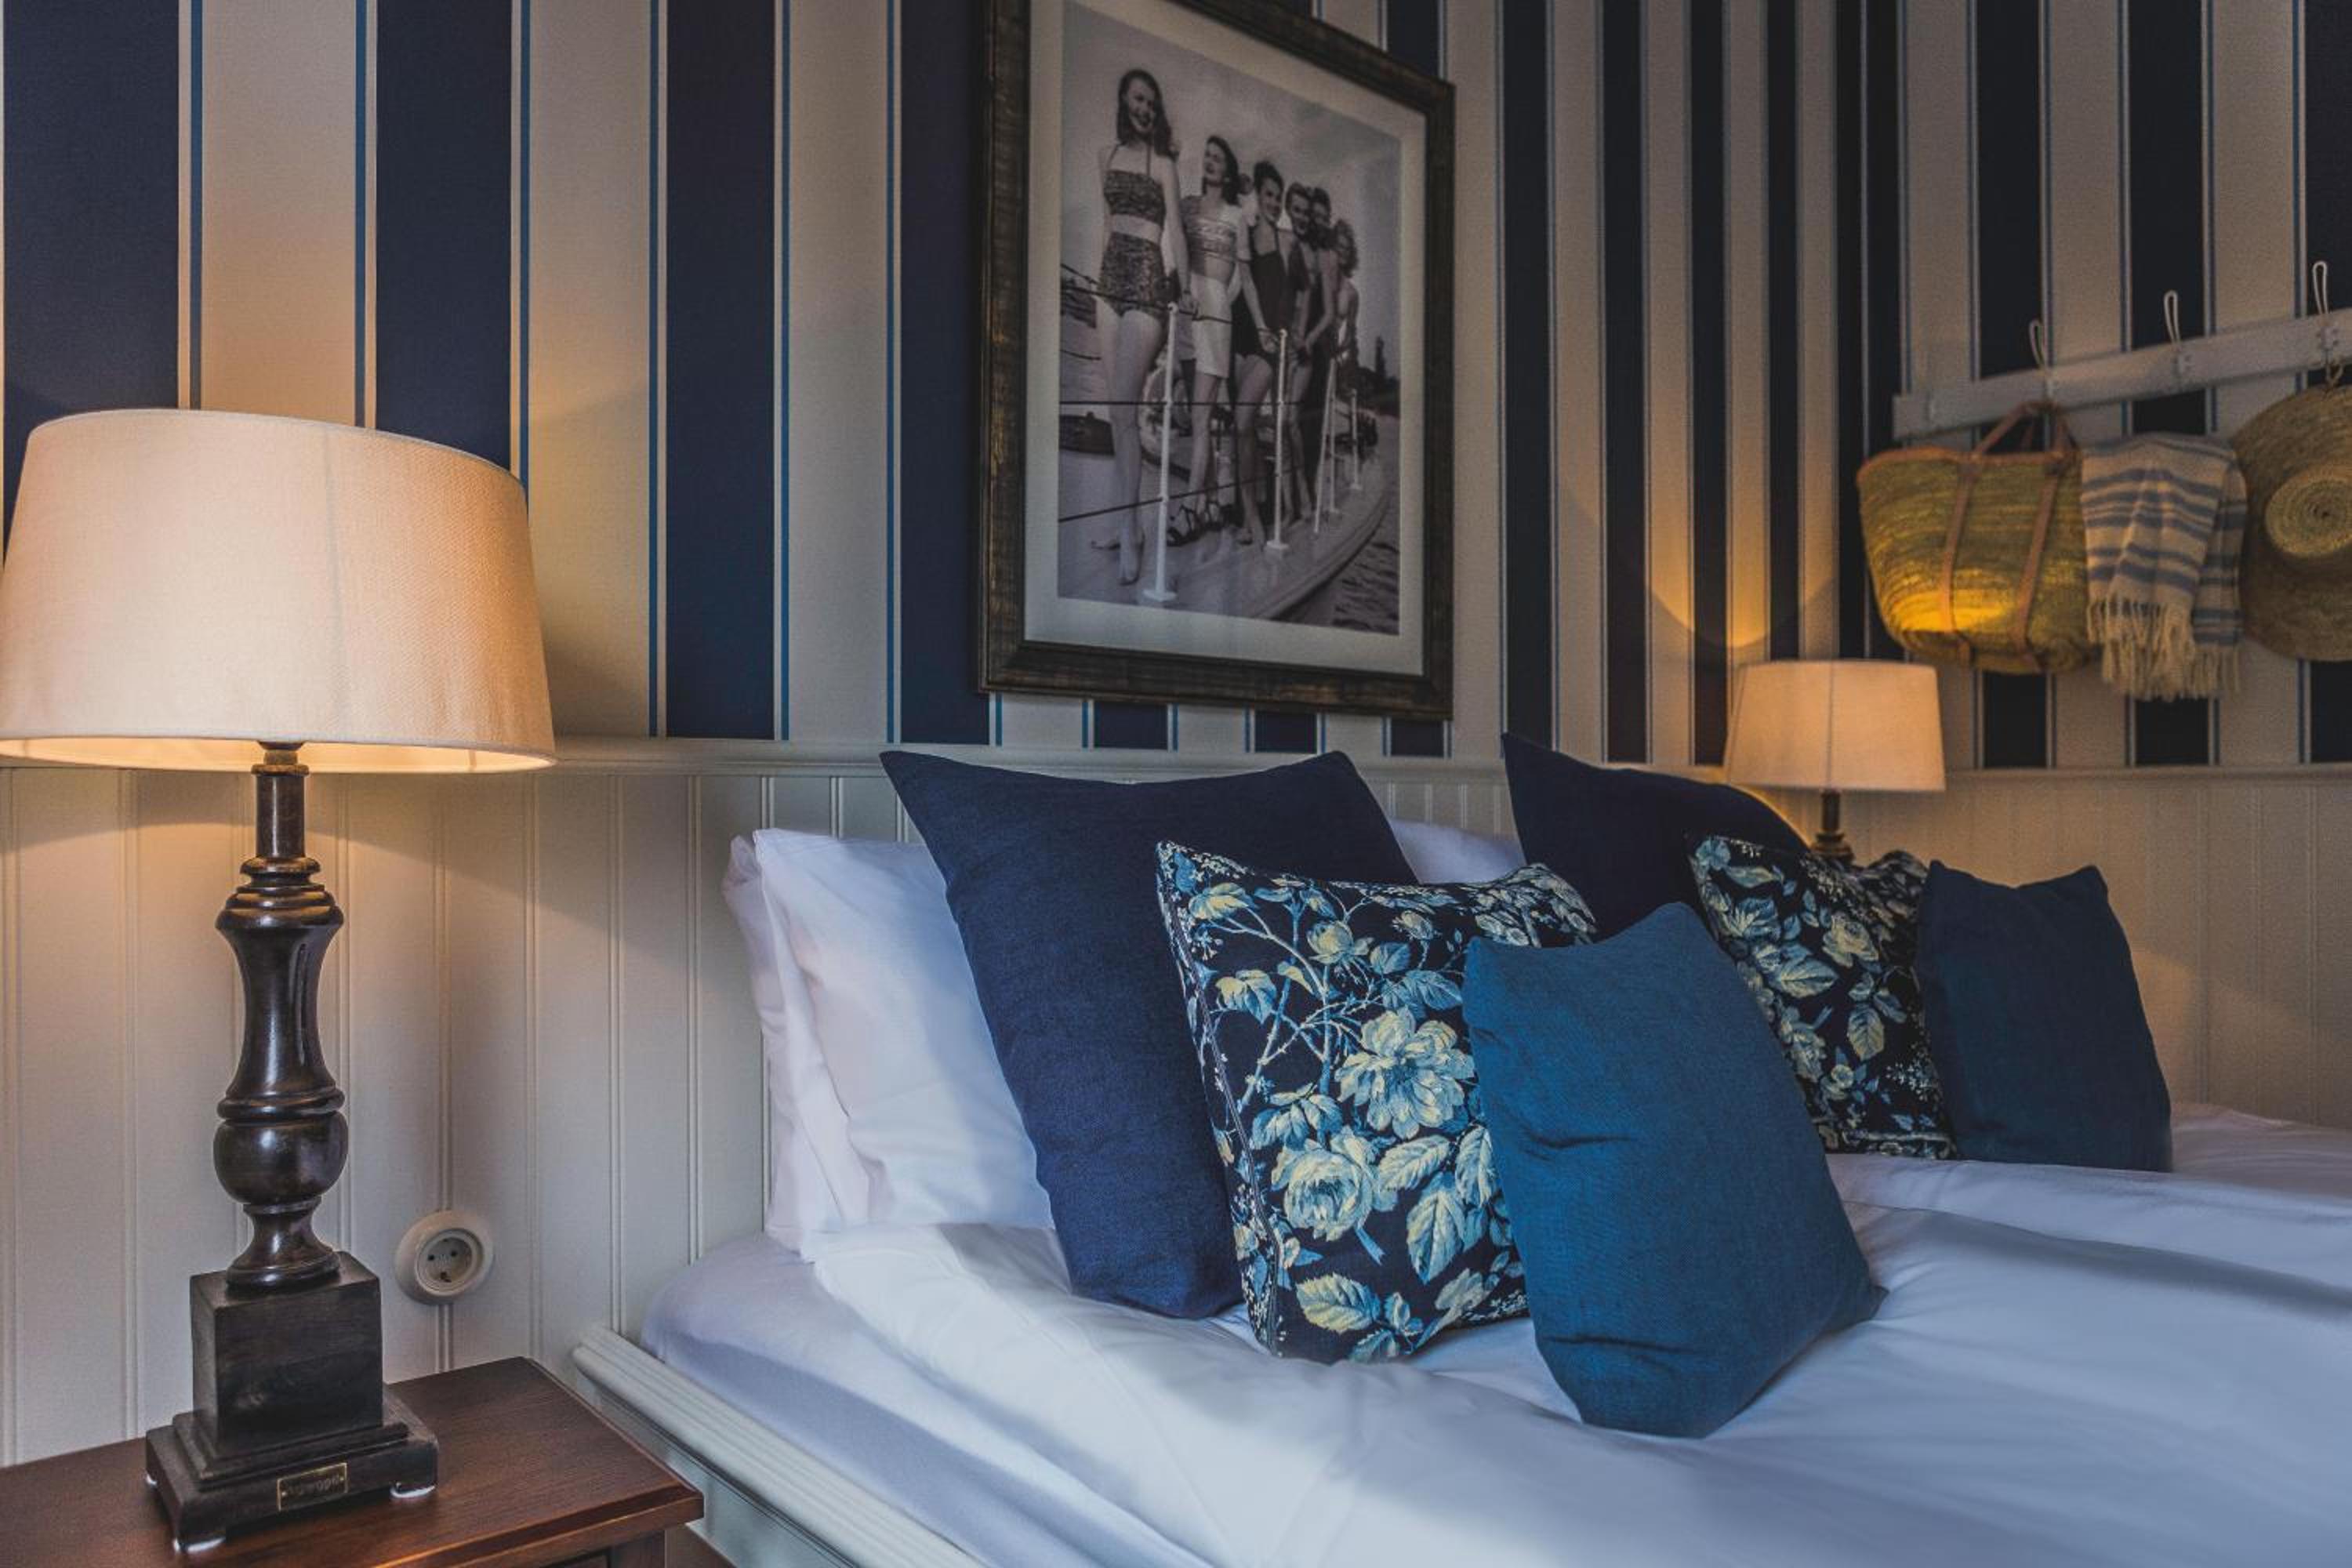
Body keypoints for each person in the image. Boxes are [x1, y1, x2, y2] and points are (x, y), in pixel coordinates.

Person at [1094, 68, 1189, 585]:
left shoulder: (1165, 165)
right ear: (1123, 100)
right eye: (1138, 99)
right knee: (1118, 417)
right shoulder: (1105, 156)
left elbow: (1176, 232)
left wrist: (1187, 288)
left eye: (1152, 102)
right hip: (1109, 282)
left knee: (1125, 415)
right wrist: (1098, 282)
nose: (1145, 109)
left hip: (1148, 283)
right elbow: (1106, 225)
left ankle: (1132, 532)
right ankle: (1122, 523)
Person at [1174, 135, 1251, 545]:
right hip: (1187, 312)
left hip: (1215, 312)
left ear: (1229, 170)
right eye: (1207, 155)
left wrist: (1217, 300)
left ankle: (1189, 510)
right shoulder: (1187, 205)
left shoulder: (1237, 215)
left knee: (1202, 418)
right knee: (1195, 414)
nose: (1210, 161)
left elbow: (1240, 278)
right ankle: (1208, 503)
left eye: (1218, 158)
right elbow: (1176, 250)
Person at [1227, 160, 1291, 547]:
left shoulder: (1287, 241)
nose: (1274, 203)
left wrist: (1283, 336)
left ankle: (1254, 516)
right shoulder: (1246, 233)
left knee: (1243, 419)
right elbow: (1247, 283)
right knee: (1243, 428)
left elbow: (1296, 294)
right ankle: (1248, 512)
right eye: (1268, 195)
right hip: (1244, 333)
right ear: (1258, 196)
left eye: (1278, 197)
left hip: (1272, 341)